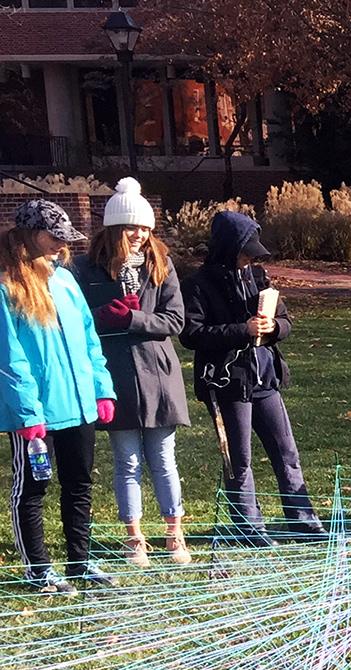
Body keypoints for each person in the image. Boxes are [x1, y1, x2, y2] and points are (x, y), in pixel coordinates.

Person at [182, 209, 321, 546]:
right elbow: (192, 334)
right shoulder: (198, 284)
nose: (248, 259)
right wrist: (240, 331)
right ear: (229, 247)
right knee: (239, 459)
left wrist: (274, 328)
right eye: (244, 252)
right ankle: (248, 527)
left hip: (265, 379)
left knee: (286, 451)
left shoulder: (259, 278)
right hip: (227, 384)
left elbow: (285, 320)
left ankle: (303, 520)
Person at [72, 178, 192, 566]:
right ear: (113, 228)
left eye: (144, 227)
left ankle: (175, 533)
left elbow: (174, 320)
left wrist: (136, 319)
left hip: (157, 373)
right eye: (131, 227)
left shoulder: (162, 264)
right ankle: (134, 537)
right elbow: (74, 321)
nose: (139, 235)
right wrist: (103, 318)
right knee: (126, 460)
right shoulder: (85, 267)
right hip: (115, 373)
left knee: (162, 457)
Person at [0, 200, 118, 594]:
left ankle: (80, 563)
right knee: (32, 488)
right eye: (54, 237)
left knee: (79, 483)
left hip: (80, 405)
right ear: (32, 235)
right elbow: (10, 357)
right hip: (37, 414)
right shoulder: (7, 286)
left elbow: (89, 338)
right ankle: (38, 569)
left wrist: (101, 388)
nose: (60, 246)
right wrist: (27, 413)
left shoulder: (65, 281)